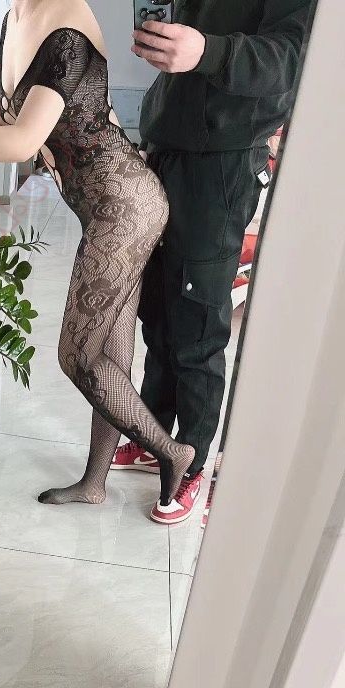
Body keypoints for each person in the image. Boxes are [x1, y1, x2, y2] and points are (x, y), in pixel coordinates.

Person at [0, 0, 195, 509]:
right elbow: (7, 121)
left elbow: (22, 143)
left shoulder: (67, 32)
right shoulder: (12, 20)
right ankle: (94, 484)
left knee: (79, 356)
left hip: (126, 207)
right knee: (110, 356)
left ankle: (172, 452)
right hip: (108, 209)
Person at [112, 0, 312, 524]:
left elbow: (295, 58)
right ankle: (155, 435)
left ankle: (192, 459)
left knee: (197, 320)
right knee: (158, 307)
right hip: (167, 139)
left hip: (223, 158)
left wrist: (207, 52)